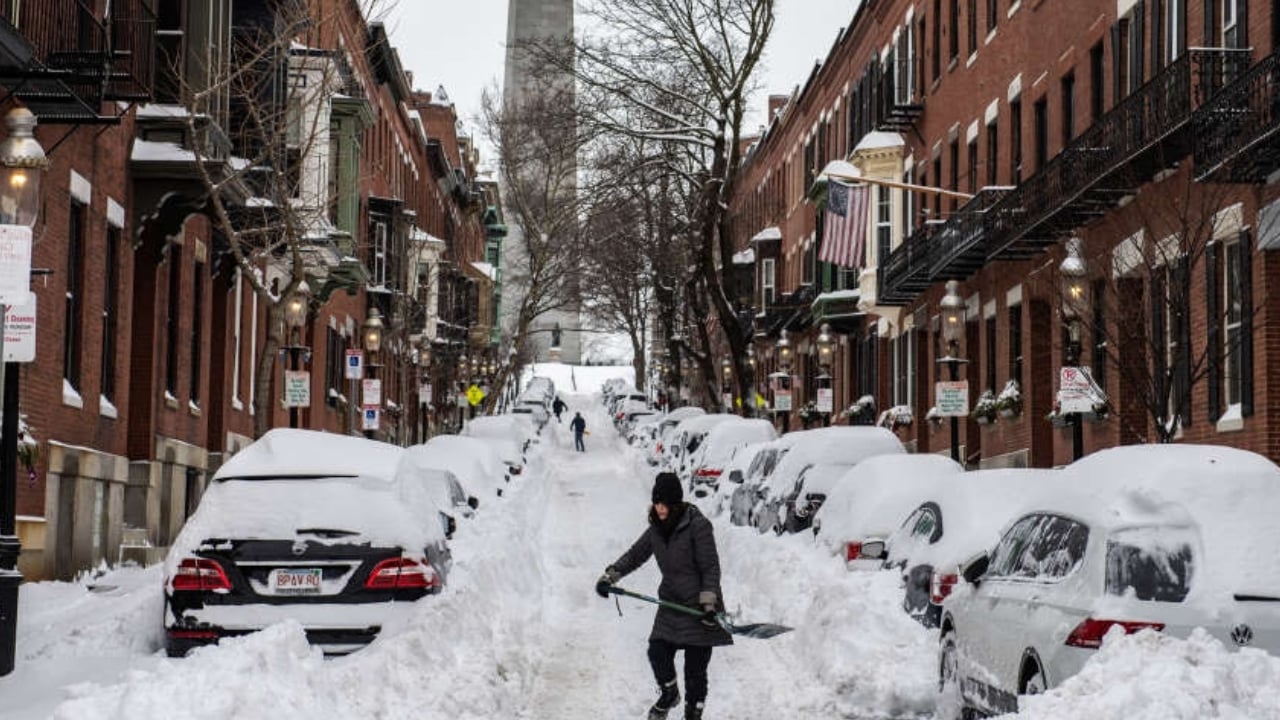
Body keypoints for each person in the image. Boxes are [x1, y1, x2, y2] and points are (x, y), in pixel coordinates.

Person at [595, 472, 731, 720]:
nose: (659, 508)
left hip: (701, 607)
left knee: (695, 671)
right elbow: (635, 555)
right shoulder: (656, 530)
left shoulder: (697, 526)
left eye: (664, 503)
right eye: (656, 502)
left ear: (675, 502)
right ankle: (669, 694)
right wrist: (611, 576)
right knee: (656, 651)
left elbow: (710, 567)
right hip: (671, 604)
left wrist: (709, 604)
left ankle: (693, 713)